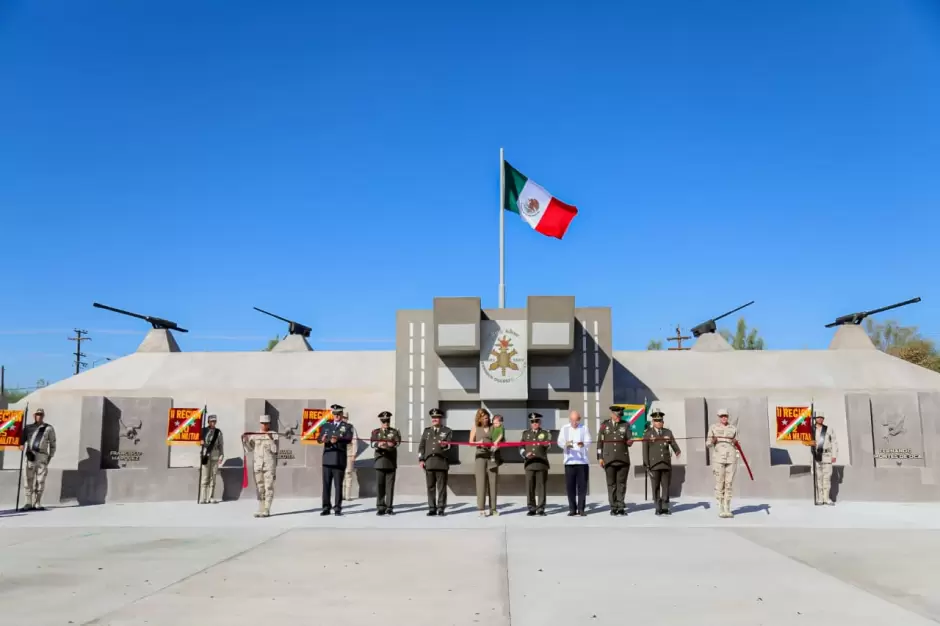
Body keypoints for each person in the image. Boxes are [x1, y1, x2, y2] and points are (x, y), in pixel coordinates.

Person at [643, 409, 681, 516]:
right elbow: (645, 450)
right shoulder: (648, 433)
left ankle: (665, 507)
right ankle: (657, 507)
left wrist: (677, 451)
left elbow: (673, 443)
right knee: (655, 487)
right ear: (653, 422)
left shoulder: (667, 432)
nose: (658, 422)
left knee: (665, 486)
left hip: (665, 464)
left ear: (663, 422)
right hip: (654, 465)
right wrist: (646, 464)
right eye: (656, 420)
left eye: (660, 420)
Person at [597, 405, 632, 516]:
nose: (619, 418)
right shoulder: (604, 425)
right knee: (611, 484)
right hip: (609, 459)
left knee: (621, 484)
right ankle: (613, 507)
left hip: (622, 459)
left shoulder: (625, 425)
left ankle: (621, 506)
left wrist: (630, 441)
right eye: (617, 415)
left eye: (620, 416)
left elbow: (629, 438)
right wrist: (600, 457)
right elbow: (599, 443)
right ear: (612, 414)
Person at [319, 403, 353, 516]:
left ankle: (337, 508)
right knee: (326, 485)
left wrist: (338, 439)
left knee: (338, 485)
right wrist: (323, 439)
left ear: (342, 414)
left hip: (339, 459)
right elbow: (319, 439)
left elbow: (348, 439)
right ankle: (326, 507)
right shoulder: (326, 425)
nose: (336, 416)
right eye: (335, 414)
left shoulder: (347, 426)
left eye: (339, 414)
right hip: (327, 459)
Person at [242, 415, 278, 517]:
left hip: (269, 465)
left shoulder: (273, 434)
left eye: (266, 423)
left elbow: (275, 450)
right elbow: (249, 449)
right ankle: (261, 507)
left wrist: (270, 439)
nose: (264, 425)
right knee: (260, 488)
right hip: (258, 465)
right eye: (263, 423)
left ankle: (267, 509)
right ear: (260, 423)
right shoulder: (255, 435)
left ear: (269, 424)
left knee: (269, 487)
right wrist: (245, 441)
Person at [418, 407, 453, 516]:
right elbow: (421, 446)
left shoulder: (447, 431)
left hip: (441, 462)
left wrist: (444, 445)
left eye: (437, 417)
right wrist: (421, 459)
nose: (435, 419)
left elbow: (449, 446)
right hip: (429, 462)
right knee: (430, 487)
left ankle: (441, 508)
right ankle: (432, 508)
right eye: (433, 417)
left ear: (440, 418)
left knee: (441, 488)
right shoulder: (427, 431)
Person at [20, 408, 56, 511]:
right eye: (37, 414)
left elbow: (53, 443)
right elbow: (22, 440)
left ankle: (38, 502)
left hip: (42, 457)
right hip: (30, 457)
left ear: (43, 416)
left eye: (41, 414)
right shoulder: (28, 428)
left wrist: (50, 456)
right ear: (34, 415)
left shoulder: (48, 428)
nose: (39, 416)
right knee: (28, 480)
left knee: (40, 481)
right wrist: (21, 445)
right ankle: (28, 503)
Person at [557, 410, 592, 516]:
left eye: (576, 420)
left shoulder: (584, 428)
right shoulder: (565, 428)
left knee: (582, 486)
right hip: (569, 461)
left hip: (582, 462)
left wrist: (583, 444)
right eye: (572, 420)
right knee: (570, 486)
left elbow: (589, 440)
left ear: (579, 419)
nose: (574, 423)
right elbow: (560, 441)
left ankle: (581, 509)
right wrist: (565, 444)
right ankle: (572, 508)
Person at [706, 408, 738, 518]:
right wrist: (713, 441)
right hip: (718, 458)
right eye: (721, 416)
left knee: (729, 483)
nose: (724, 418)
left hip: (731, 458)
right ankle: (720, 507)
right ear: (719, 417)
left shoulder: (733, 428)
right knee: (720, 483)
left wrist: (736, 442)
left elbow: (737, 443)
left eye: (725, 416)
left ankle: (727, 507)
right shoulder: (713, 428)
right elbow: (708, 443)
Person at [520, 412, 551, 516]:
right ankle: (531, 508)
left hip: (541, 463)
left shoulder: (545, 433)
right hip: (529, 463)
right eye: (532, 421)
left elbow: (548, 445)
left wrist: (547, 443)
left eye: (536, 421)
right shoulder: (525, 433)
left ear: (540, 422)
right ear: (530, 423)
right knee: (530, 487)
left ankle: (541, 508)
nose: (534, 423)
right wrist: (525, 453)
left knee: (541, 487)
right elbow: (520, 446)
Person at [371, 410, 401, 515]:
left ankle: (389, 507)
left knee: (390, 487)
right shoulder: (375, 432)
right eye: (384, 421)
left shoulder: (394, 431)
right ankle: (380, 507)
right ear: (381, 421)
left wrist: (391, 445)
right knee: (380, 486)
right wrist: (379, 445)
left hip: (390, 462)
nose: (386, 423)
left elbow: (397, 442)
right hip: (379, 461)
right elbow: (372, 443)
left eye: (387, 421)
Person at [470, 408, 499, 517]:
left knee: (493, 482)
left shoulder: (493, 427)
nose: (486, 420)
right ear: (479, 418)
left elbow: (501, 439)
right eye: (483, 418)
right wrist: (479, 443)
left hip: (492, 457)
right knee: (481, 482)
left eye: (487, 418)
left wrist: (497, 445)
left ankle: (493, 509)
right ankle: (481, 509)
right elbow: (470, 442)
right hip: (480, 457)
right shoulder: (475, 428)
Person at [810, 411, 838, 506]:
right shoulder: (811, 430)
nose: (820, 419)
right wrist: (809, 443)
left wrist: (834, 455)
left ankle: (827, 498)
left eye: (822, 417)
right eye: (818, 417)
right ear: (815, 419)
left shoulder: (828, 429)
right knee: (818, 478)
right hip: (816, 456)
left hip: (827, 456)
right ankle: (820, 499)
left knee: (827, 478)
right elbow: (805, 441)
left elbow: (834, 442)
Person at [199, 414, 225, 504]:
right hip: (206, 454)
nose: (213, 423)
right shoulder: (204, 431)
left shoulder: (218, 432)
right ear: (208, 422)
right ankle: (203, 497)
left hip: (215, 454)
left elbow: (221, 444)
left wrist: (221, 455)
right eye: (211, 421)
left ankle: (211, 497)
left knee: (213, 477)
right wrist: (200, 442)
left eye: (214, 421)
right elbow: (199, 440)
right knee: (205, 476)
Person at [340, 408, 359, 501]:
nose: (344, 419)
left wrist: (354, 454)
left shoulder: (351, 427)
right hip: (339, 453)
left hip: (348, 453)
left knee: (348, 474)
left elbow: (355, 440)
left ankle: (347, 495)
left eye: (345, 417)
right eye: (342, 417)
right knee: (340, 474)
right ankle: (341, 495)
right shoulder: (337, 426)